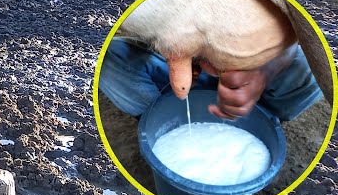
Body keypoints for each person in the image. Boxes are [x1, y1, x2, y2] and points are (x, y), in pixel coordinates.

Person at [99, 38, 323, 123]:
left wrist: (263, 73)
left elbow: (292, 37)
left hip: (253, 70)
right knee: (110, 55)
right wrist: (184, 58)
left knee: (309, 66)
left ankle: (263, 117)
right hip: (176, 65)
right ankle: (159, 117)